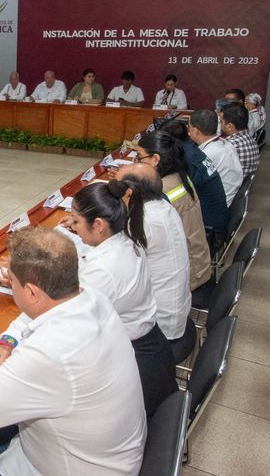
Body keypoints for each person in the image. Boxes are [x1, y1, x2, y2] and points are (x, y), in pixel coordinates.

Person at [0, 228, 146, 476]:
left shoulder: (50, 352)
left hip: (68, 468)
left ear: (31, 292)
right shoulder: (94, 299)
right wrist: (7, 341)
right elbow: (30, 317)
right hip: (98, 454)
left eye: (12, 281)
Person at [60, 181, 179, 416]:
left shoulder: (103, 269)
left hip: (138, 368)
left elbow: (66, 321)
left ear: (99, 225)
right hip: (153, 350)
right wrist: (79, 229)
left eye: (76, 221)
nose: (72, 226)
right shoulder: (127, 239)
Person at [116, 163, 194, 363]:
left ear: (129, 193)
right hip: (176, 311)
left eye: (115, 187)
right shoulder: (163, 207)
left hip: (159, 327)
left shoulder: (142, 221)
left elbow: (117, 270)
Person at [137, 130, 211, 295]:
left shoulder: (162, 193)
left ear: (155, 159)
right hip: (198, 261)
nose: (137, 163)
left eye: (139, 157)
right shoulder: (178, 175)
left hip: (189, 274)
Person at [188, 109, 243, 205]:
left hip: (219, 204)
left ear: (195, 131)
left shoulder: (206, 155)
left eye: (189, 127)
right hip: (232, 197)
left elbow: (192, 185)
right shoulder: (225, 143)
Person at [221, 103, 260, 177]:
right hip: (243, 181)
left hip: (231, 182)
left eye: (221, 121)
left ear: (229, 126)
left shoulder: (230, 146)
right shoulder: (251, 140)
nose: (220, 124)